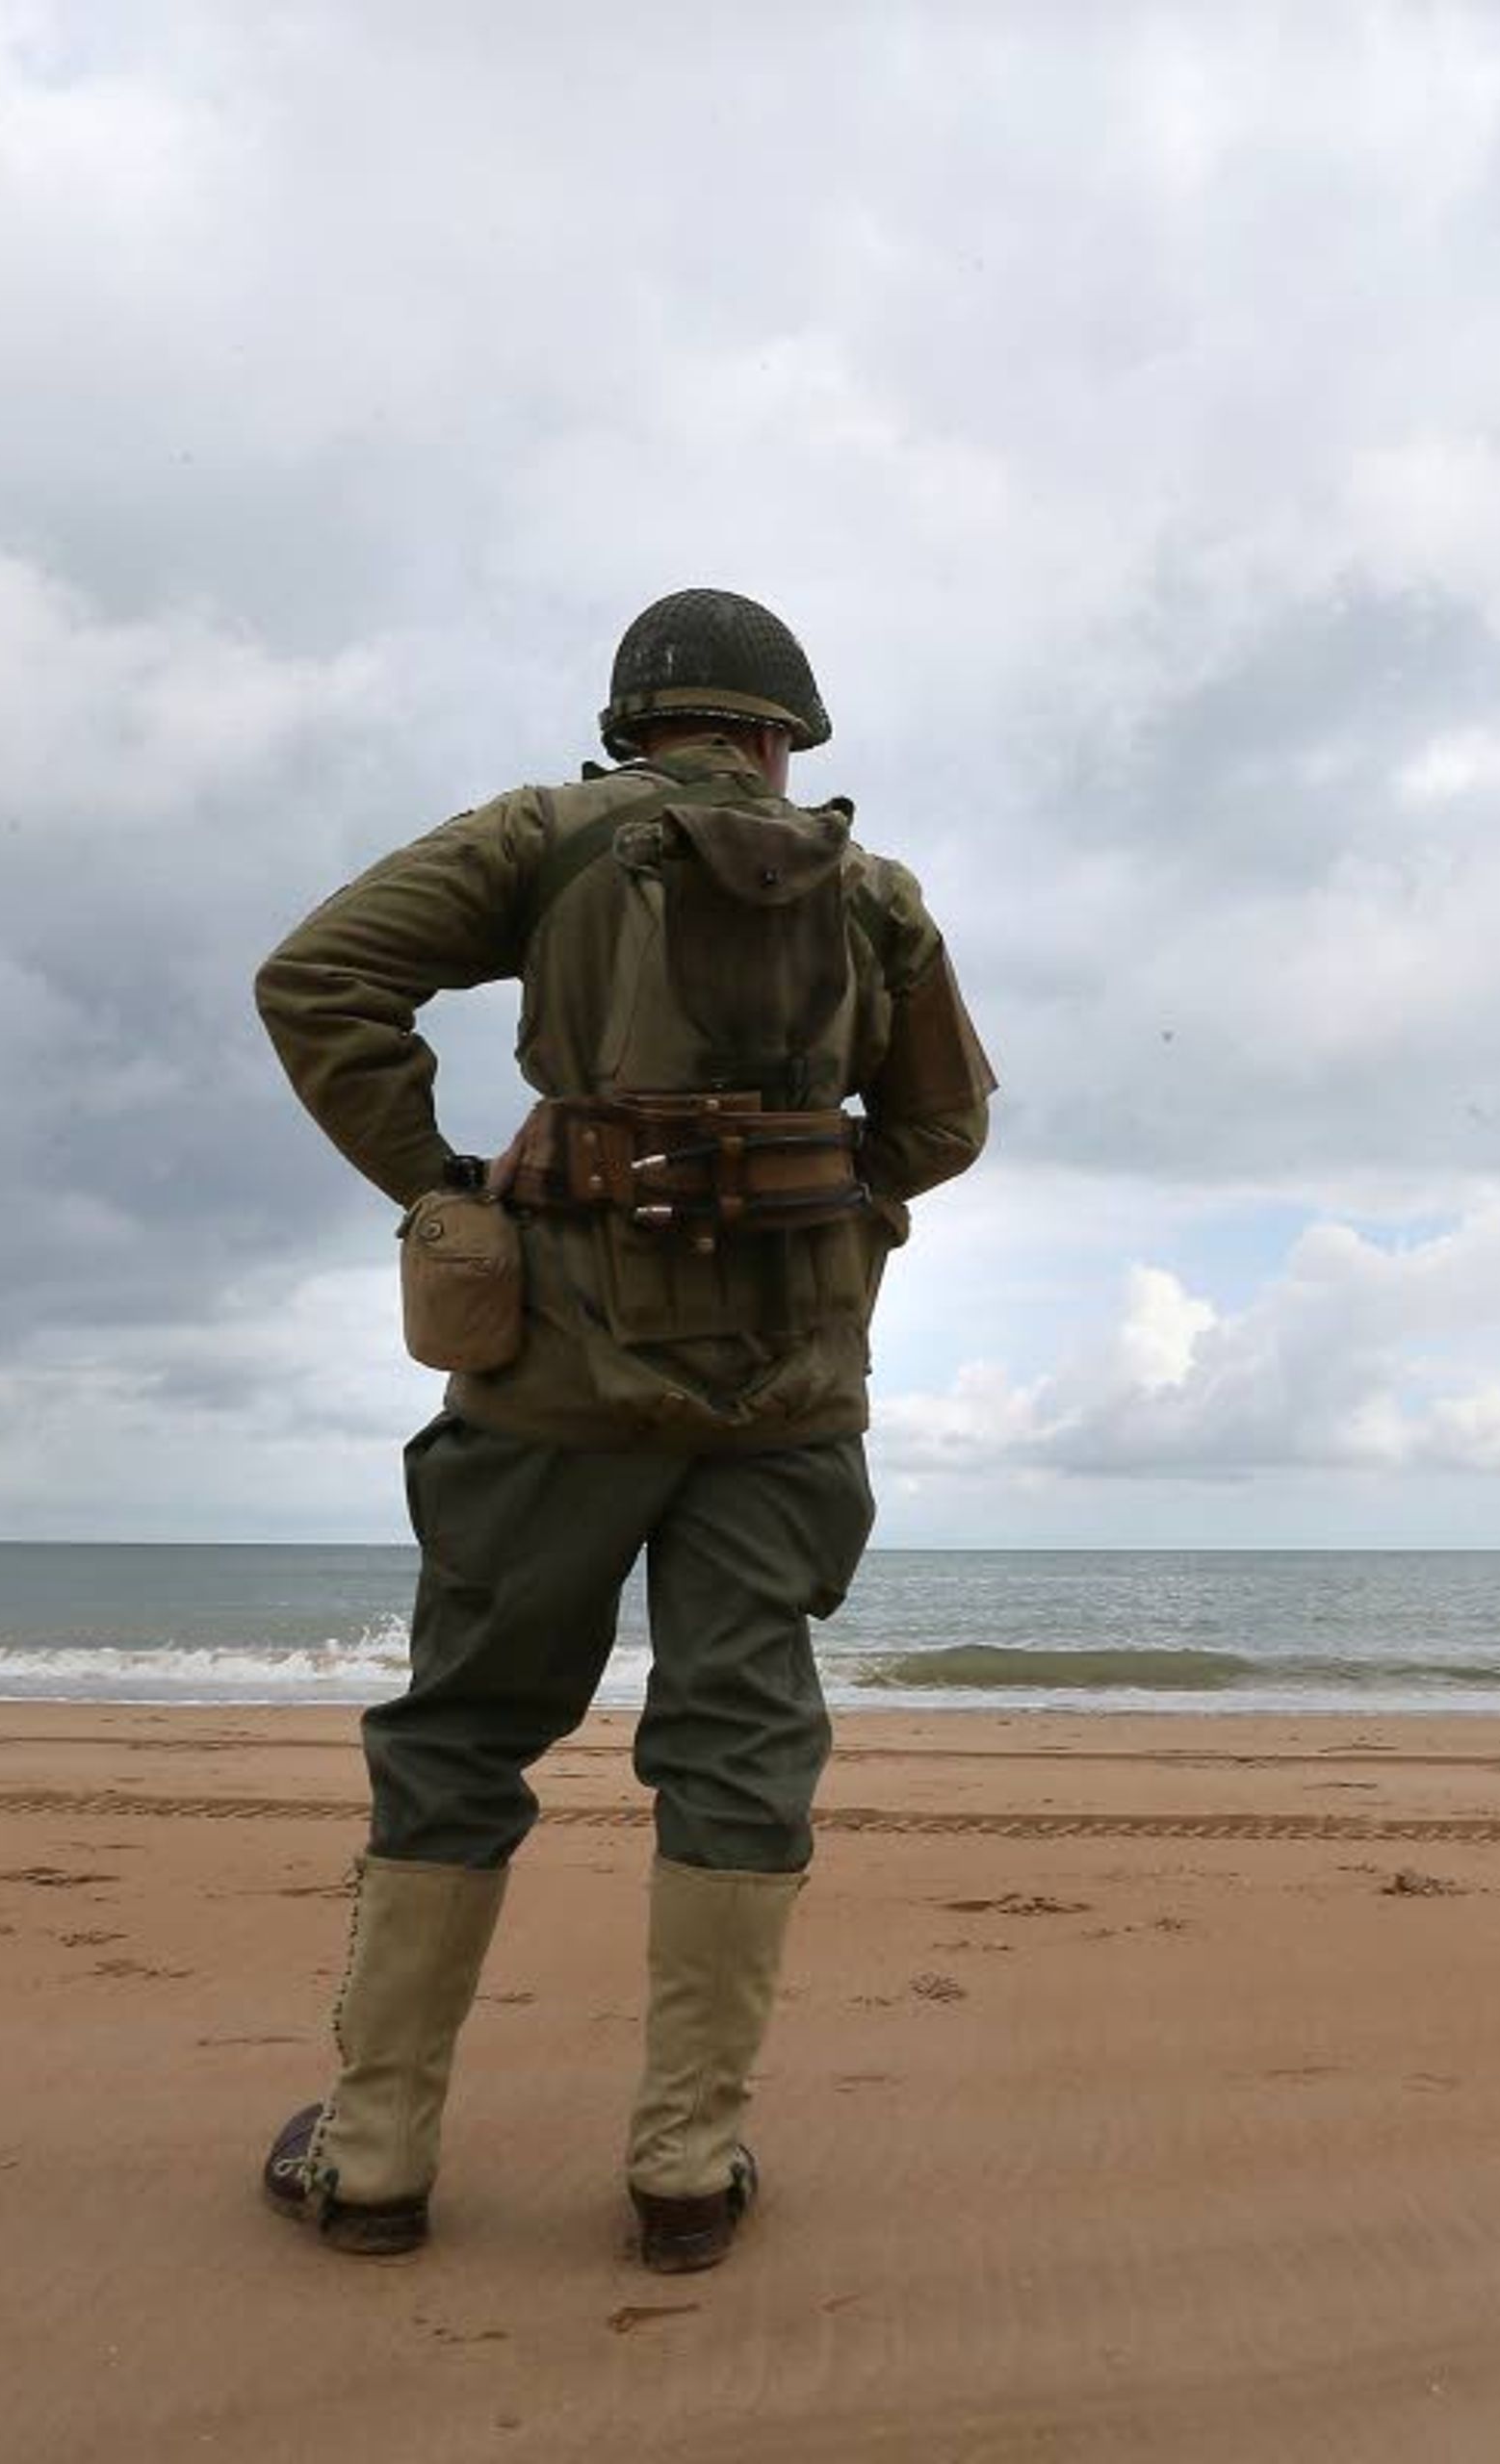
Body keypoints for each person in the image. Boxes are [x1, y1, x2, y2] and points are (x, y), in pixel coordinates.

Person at [246, 587, 992, 2270]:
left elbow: (318, 979)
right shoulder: (875, 897)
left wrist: (440, 1181)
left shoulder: (546, 836)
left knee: (462, 1734)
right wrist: (823, 1196)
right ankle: (683, 2167)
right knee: (739, 1743)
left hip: (555, 1388)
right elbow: (944, 1122)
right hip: (792, 1400)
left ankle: (371, 2164)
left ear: (634, 726)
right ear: (782, 738)